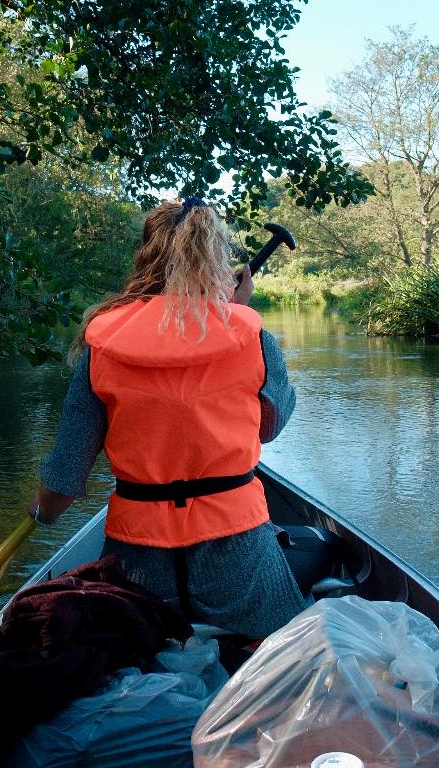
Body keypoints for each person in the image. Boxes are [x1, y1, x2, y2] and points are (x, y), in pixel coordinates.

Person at [28, 196, 305, 638]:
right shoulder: (252, 337)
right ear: (216, 260)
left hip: (140, 563)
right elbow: (269, 429)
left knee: (141, 660)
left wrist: (41, 514)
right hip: (237, 551)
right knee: (281, 653)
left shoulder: (103, 344)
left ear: (146, 256)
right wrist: (231, 313)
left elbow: (64, 481)